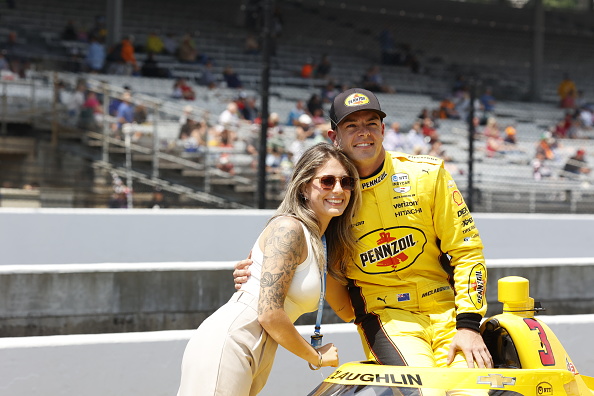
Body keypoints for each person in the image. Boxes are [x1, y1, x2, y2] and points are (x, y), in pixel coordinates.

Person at [235, 88, 493, 373]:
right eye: (352, 125)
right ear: (335, 138)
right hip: (385, 319)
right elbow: (291, 231)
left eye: (371, 123)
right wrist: (255, 269)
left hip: (450, 313)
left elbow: (468, 251)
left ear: (383, 129)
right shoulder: (331, 193)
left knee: (469, 389)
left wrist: (468, 325)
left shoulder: (428, 175)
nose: (364, 132)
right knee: (426, 389)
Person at [177, 143, 362, 396]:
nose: (339, 189)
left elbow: (347, 309)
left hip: (257, 347)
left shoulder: (322, 243)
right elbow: (269, 314)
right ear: (304, 187)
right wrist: (315, 356)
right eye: (327, 181)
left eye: (347, 181)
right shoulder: (289, 229)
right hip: (233, 340)